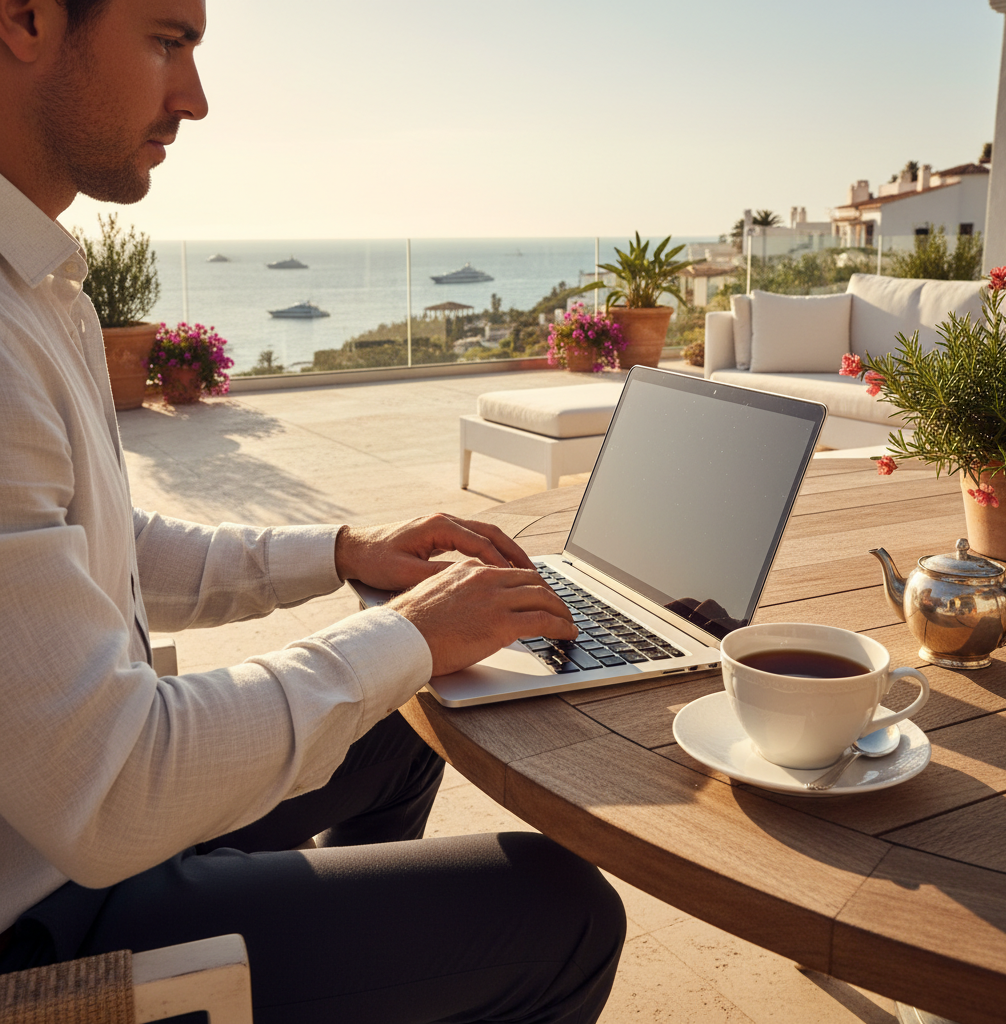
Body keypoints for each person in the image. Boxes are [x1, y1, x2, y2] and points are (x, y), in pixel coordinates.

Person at [0, 1, 626, 1021]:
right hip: (48, 916)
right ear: (26, 19)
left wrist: (344, 552)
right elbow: (111, 792)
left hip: (74, 838)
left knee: (404, 723)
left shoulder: (38, 287)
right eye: (167, 40)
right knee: (562, 912)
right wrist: (408, 632)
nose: (194, 98)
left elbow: (112, 547)